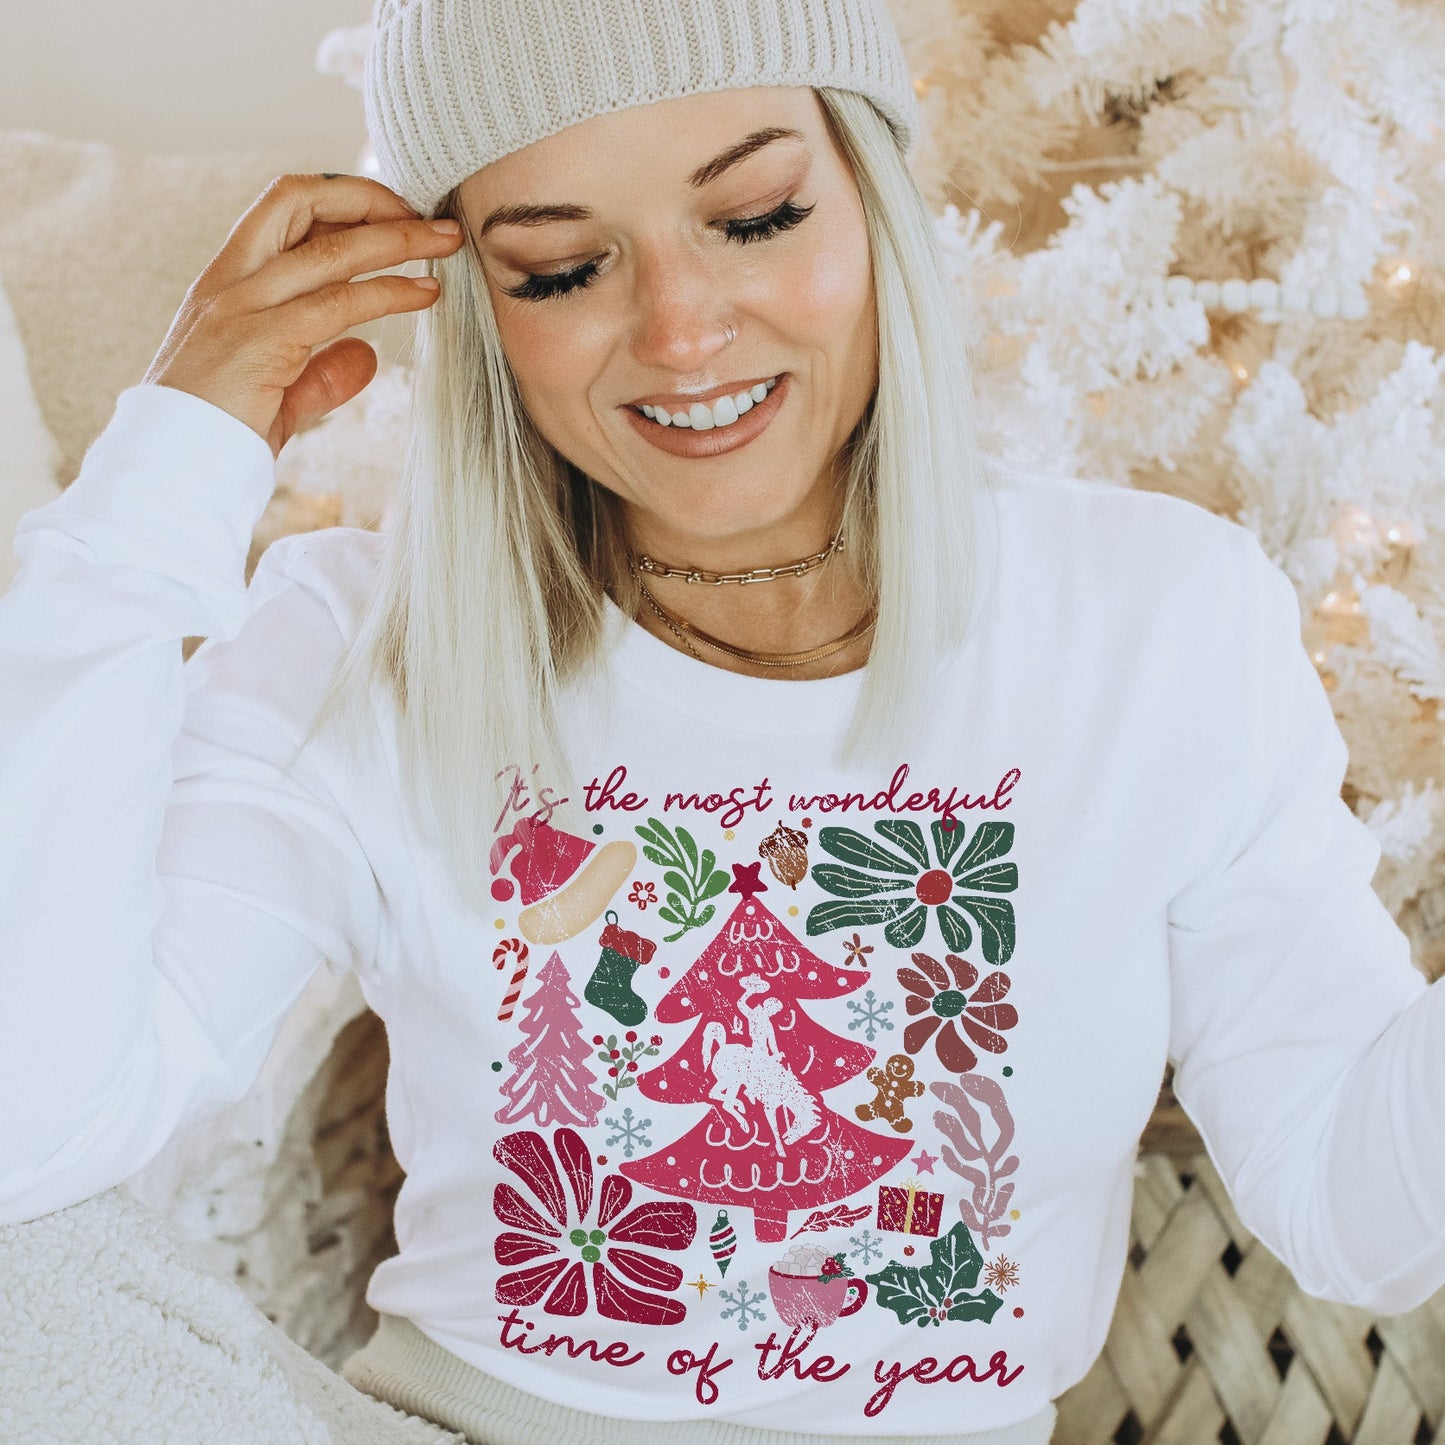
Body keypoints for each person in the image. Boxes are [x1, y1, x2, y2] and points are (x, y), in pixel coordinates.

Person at [2, 0, 1443, 1441]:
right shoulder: (354, 638)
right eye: (562, 267)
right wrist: (165, 472)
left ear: (870, 192)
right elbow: (32, 1136)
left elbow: (1349, 1206)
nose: (680, 331)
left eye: (753, 216)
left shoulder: (1158, 618)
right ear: (482, 310)